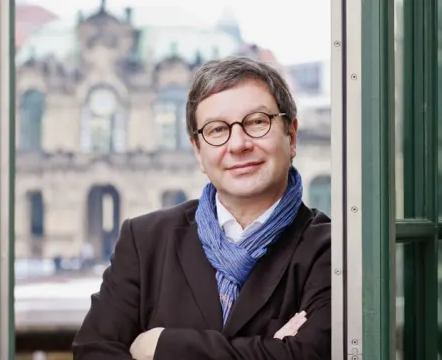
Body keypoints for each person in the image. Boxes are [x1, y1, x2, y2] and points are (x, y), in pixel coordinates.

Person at [72, 56, 331, 360]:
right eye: (217, 130)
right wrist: (274, 351)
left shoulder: (330, 249)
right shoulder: (145, 240)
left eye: (257, 122)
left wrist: (162, 346)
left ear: (292, 135)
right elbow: (93, 353)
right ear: (198, 151)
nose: (238, 144)